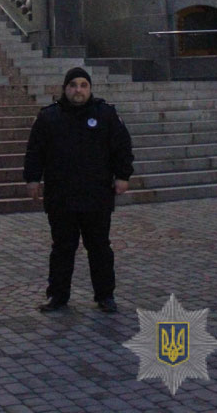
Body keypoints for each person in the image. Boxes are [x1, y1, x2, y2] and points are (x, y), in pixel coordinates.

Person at [24, 67, 134, 313]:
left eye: (84, 85)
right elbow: (35, 151)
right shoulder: (49, 117)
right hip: (61, 196)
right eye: (73, 85)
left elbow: (122, 147)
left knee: (99, 247)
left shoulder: (105, 114)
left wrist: (123, 175)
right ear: (65, 88)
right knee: (62, 248)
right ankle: (58, 296)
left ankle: (105, 295)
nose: (78, 90)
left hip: (96, 195)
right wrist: (32, 179)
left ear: (90, 89)